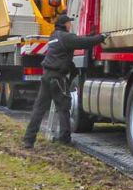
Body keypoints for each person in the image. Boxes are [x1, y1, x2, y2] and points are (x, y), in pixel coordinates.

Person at [23, 15, 107, 149]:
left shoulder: (54, 36)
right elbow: (82, 43)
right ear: (65, 24)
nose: (70, 25)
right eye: (69, 23)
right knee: (64, 107)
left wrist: (90, 35)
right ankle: (64, 139)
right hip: (57, 78)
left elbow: (77, 39)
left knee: (39, 109)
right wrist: (100, 37)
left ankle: (28, 140)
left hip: (46, 76)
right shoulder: (65, 37)